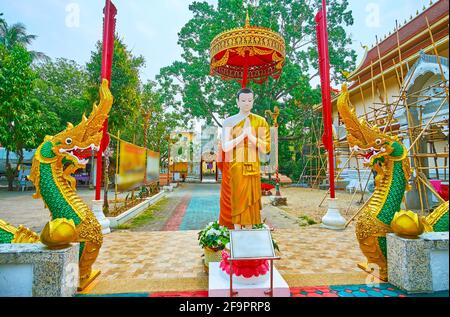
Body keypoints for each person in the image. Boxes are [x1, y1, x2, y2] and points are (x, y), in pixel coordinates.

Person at [219, 88, 271, 230]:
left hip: (253, 166)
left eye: (249, 100)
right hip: (236, 166)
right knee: (238, 199)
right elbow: (225, 147)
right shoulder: (229, 122)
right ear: (237, 102)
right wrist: (242, 136)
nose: (246, 103)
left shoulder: (260, 121)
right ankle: (237, 232)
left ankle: (249, 232)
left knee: (251, 202)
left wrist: (252, 137)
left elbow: (266, 148)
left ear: (253, 101)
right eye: (243, 100)